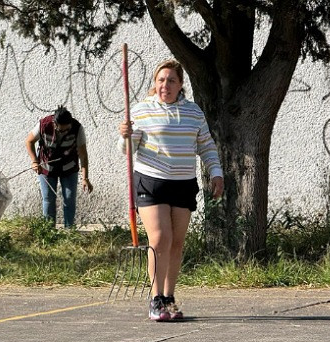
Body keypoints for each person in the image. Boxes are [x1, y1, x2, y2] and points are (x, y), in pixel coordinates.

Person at [118, 58, 223, 322]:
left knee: (176, 243)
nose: (165, 84)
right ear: (155, 83)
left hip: (183, 183)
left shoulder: (193, 112)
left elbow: (207, 146)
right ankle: (155, 299)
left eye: (171, 80)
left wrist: (216, 172)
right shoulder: (141, 111)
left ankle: (168, 298)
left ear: (180, 85)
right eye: (161, 80)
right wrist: (125, 136)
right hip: (151, 181)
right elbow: (127, 151)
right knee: (160, 238)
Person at [25, 106, 92, 228]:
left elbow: (83, 155)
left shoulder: (77, 128)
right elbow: (29, 141)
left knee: (69, 199)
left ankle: (69, 231)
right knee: (48, 199)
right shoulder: (43, 124)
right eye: (62, 130)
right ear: (55, 124)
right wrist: (34, 161)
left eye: (67, 129)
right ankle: (49, 231)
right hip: (46, 168)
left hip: (69, 169)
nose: (65, 132)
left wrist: (85, 178)